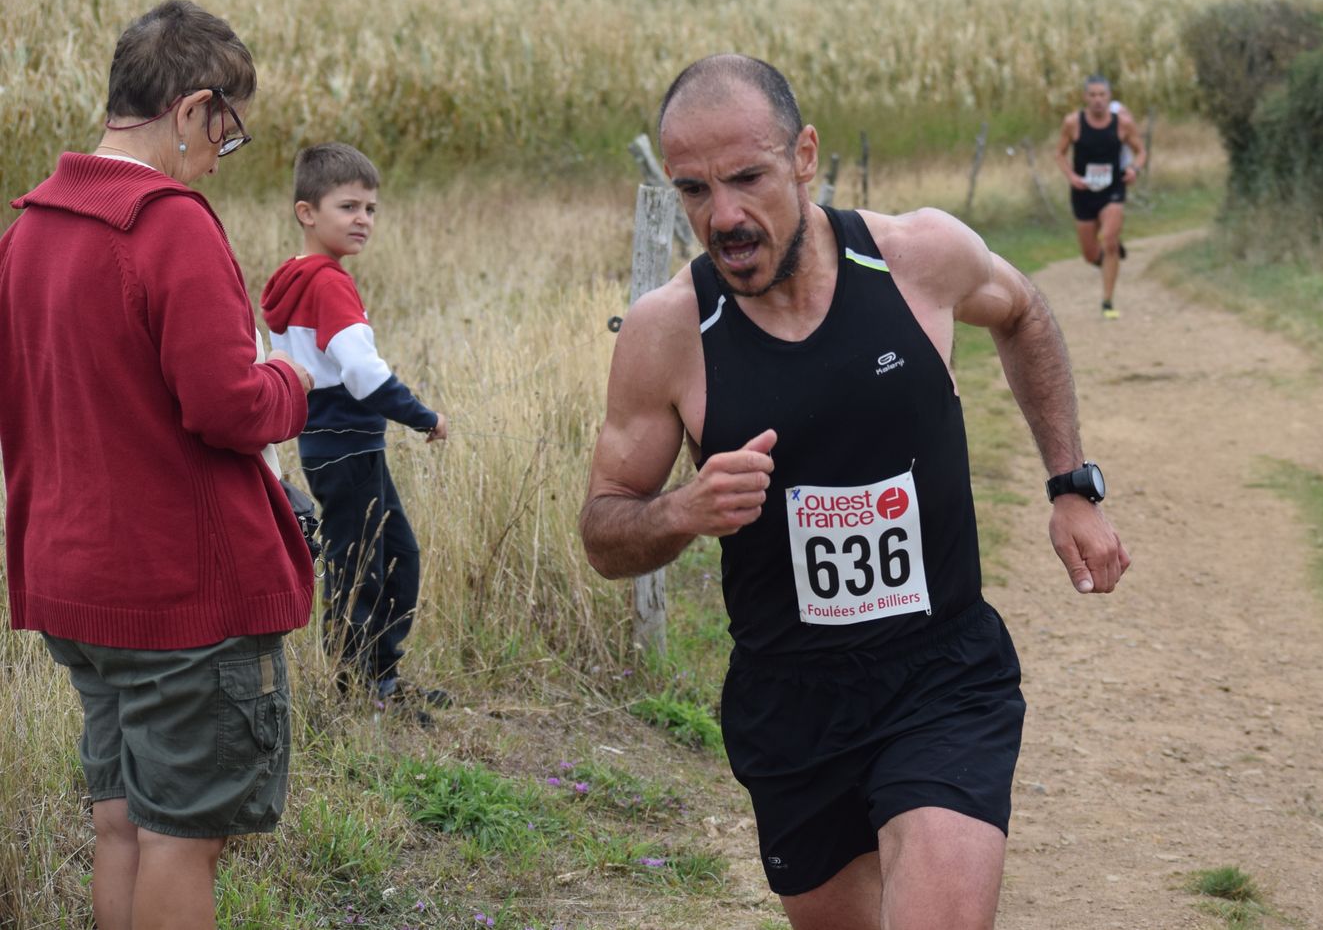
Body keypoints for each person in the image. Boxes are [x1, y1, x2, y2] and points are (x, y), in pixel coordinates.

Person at [579, 55, 1130, 930]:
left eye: (747, 178)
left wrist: (1071, 483)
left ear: (804, 155)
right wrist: (682, 509)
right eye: (694, 190)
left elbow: (1023, 311)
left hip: (942, 674)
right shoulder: (669, 332)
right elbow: (604, 530)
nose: (725, 216)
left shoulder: (917, 258)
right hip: (791, 700)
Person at [0, 0, 315, 930]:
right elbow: (227, 405)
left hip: (75, 584)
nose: (220, 155)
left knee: (122, 824)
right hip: (181, 595)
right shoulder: (168, 223)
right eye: (226, 130)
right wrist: (290, 381)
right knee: (184, 835)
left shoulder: (29, 229)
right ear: (190, 109)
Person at [261, 143, 449, 714]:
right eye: (348, 207)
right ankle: (356, 686)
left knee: (389, 555)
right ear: (307, 212)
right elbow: (363, 374)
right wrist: (423, 416)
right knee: (365, 564)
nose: (363, 219)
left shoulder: (293, 278)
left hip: (329, 446)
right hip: (348, 445)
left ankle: (379, 676)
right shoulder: (328, 283)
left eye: (370, 209)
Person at [1055, 75, 1147, 319]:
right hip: (1083, 192)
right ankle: (1108, 257)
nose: (1097, 100)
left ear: (1109, 97)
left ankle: (1107, 301)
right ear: (1085, 97)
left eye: (1102, 95)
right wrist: (1071, 176)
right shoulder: (1073, 123)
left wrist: (1134, 169)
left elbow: (1140, 151)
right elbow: (1059, 153)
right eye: (1093, 95)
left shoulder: (1123, 124)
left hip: (1112, 189)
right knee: (1089, 254)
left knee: (1109, 240)